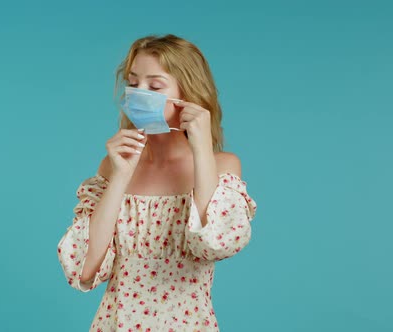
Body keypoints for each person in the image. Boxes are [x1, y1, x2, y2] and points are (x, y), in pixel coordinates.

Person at [57, 34, 258, 331]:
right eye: (133, 82)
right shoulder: (112, 167)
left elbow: (215, 243)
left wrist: (201, 148)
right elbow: (84, 270)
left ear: (187, 92)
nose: (139, 93)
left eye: (154, 85)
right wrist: (120, 177)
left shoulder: (222, 167)